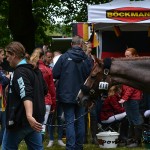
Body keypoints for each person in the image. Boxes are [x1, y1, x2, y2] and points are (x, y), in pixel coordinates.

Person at [2, 41, 47, 150]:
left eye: (8, 56)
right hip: (34, 120)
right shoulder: (34, 70)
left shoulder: (20, 72)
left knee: (7, 148)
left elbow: (26, 94)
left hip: (21, 120)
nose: (6, 60)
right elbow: (44, 90)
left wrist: (29, 115)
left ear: (13, 55)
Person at [52, 35, 93, 150]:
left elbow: (54, 74)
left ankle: (70, 146)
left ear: (71, 44)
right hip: (82, 94)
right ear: (81, 45)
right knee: (80, 120)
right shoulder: (86, 59)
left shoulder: (64, 57)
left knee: (70, 121)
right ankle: (79, 146)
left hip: (66, 94)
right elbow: (91, 76)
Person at [119, 47, 143, 148]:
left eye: (128, 56)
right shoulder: (130, 66)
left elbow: (132, 85)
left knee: (136, 119)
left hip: (133, 98)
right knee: (130, 119)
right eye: (125, 55)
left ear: (134, 55)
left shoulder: (135, 67)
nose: (126, 57)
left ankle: (137, 141)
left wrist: (125, 97)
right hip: (129, 97)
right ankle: (131, 139)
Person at [30, 48, 56, 137]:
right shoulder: (47, 70)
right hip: (46, 101)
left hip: (33, 100)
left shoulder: (30, 69)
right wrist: (53, 104)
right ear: (43, 56)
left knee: (34, 126)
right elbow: (51, 88)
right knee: (42, 126)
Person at [47, 50, 66, 147]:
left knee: (60, 119)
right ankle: (50, 139)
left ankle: (59, 138)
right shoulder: (49, 69)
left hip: (60, 96)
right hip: (51, 97)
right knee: (51, 119)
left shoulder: (63, 70)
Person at [0, 48, 10, 146]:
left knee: (4, 126)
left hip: (2, 103)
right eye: (2, 54)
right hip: (1, 103)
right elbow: (2, 82)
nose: (4, 57)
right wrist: (7, 78)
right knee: (4, 126)